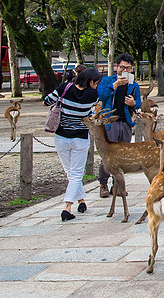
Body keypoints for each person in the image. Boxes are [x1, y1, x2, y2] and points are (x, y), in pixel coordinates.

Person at [44, 67, 103, 221]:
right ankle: (68, 206)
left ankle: (81, 200)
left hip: (61, 136)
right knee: (76, 173)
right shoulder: (93, 95)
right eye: (96, 83)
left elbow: (47, 101)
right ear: (91, 82)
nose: (96, 86)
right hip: (81, 138)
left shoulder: (64, 88)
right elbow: (89, 113)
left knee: (70, 172)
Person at [96, 54, 142, 199]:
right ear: (116, 67)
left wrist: (133, 103)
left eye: (128, 68)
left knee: (122, 156)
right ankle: (103, 183)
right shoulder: (107, 81)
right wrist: (115, 85)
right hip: (110, 122)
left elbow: (139, 103)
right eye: (122, 67)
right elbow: (100, 96)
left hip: (126, 122)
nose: (125, 70)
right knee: (107, 156)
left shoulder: (133, 84)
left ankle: (117, 185)